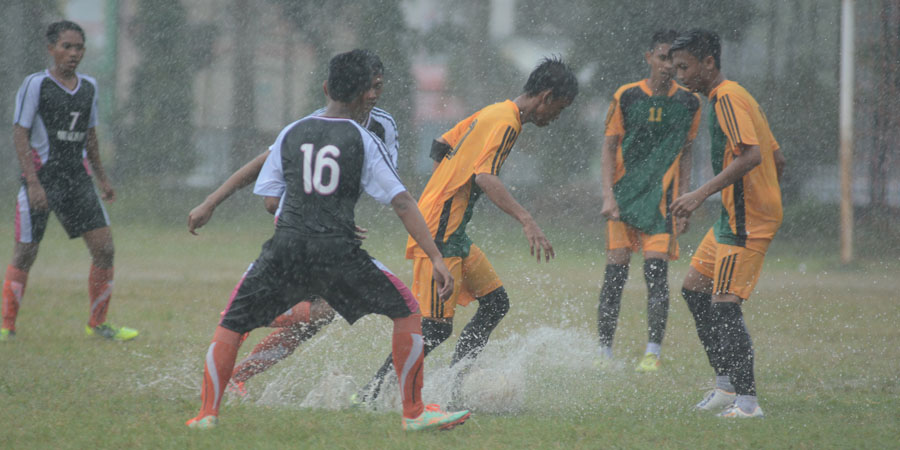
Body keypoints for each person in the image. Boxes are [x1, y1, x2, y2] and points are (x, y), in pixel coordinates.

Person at [186, 49, 470, 431]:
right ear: (360, 93)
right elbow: (401, 200)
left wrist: (214, 202)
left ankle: (206, 414)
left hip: (286, 244)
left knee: (232, 322)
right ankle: (415, 413)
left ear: (325, 87)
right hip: (336, 249)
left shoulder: (293, 131)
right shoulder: (362, 137)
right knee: (407, 310)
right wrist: (434, 256)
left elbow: (271, 197)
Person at [356, 56, 579, 407]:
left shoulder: (494, 111)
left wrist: (442, 185)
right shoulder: (507, 123)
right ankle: (370, 393)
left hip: (452, 230)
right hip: (439, 232)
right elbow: (486, 177)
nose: (556, 118)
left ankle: (454, 388)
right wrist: (527, 220)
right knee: (435, 327)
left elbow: (440, 144)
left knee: (495, 303)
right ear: (546, 96)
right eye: (559, 108)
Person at [187, 51, 397, 395]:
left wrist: (340, 219)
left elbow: (372, 182)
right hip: (301, 229)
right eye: (367, 87)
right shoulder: (316, 123)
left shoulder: (383, 127)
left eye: (378, 86)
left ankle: (237, 374)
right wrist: (211, 201)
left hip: (330, 231)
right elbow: (265, 171)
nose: (372, 94)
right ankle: (242, 321)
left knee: (312, 321)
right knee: (323, 312)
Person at [669, 29, 786, 418]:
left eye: (684, 66)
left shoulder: (728, 99)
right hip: (732, 215)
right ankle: (725, 386)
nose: (679, 75)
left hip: (746, 221)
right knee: (694, 289)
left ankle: (748, 404)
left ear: (708, 63)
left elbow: (752, 156)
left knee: (724, 305)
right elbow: (776, 158)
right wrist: (762, 192)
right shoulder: (736, 95)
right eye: (675, 67)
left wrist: (698, 194)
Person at [1, 20, 137, 342]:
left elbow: (90, 136)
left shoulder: (89, 86)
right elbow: (20, 132)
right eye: (67, 47)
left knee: (105, 249)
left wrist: (102, 178)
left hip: (77, 181)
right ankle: (7, 326)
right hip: (43, 180)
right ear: (52, 49)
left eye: (79, 48)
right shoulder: (35, 85)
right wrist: (33, 183)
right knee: (25, 254)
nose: (73, 53)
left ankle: (98, 324)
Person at [597, 30, 700, 372]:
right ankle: (603, 352)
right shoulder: (627, 97)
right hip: (624, 200)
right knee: (615, 277)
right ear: (648, 58)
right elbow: (610, 147)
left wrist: (686, 200)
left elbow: (686, 154)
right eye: (662, 57)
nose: (667, 65)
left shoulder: (689, 102)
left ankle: (652, 353)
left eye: (673, 59)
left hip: (662, 204)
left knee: (656, 275)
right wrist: (608, 196)